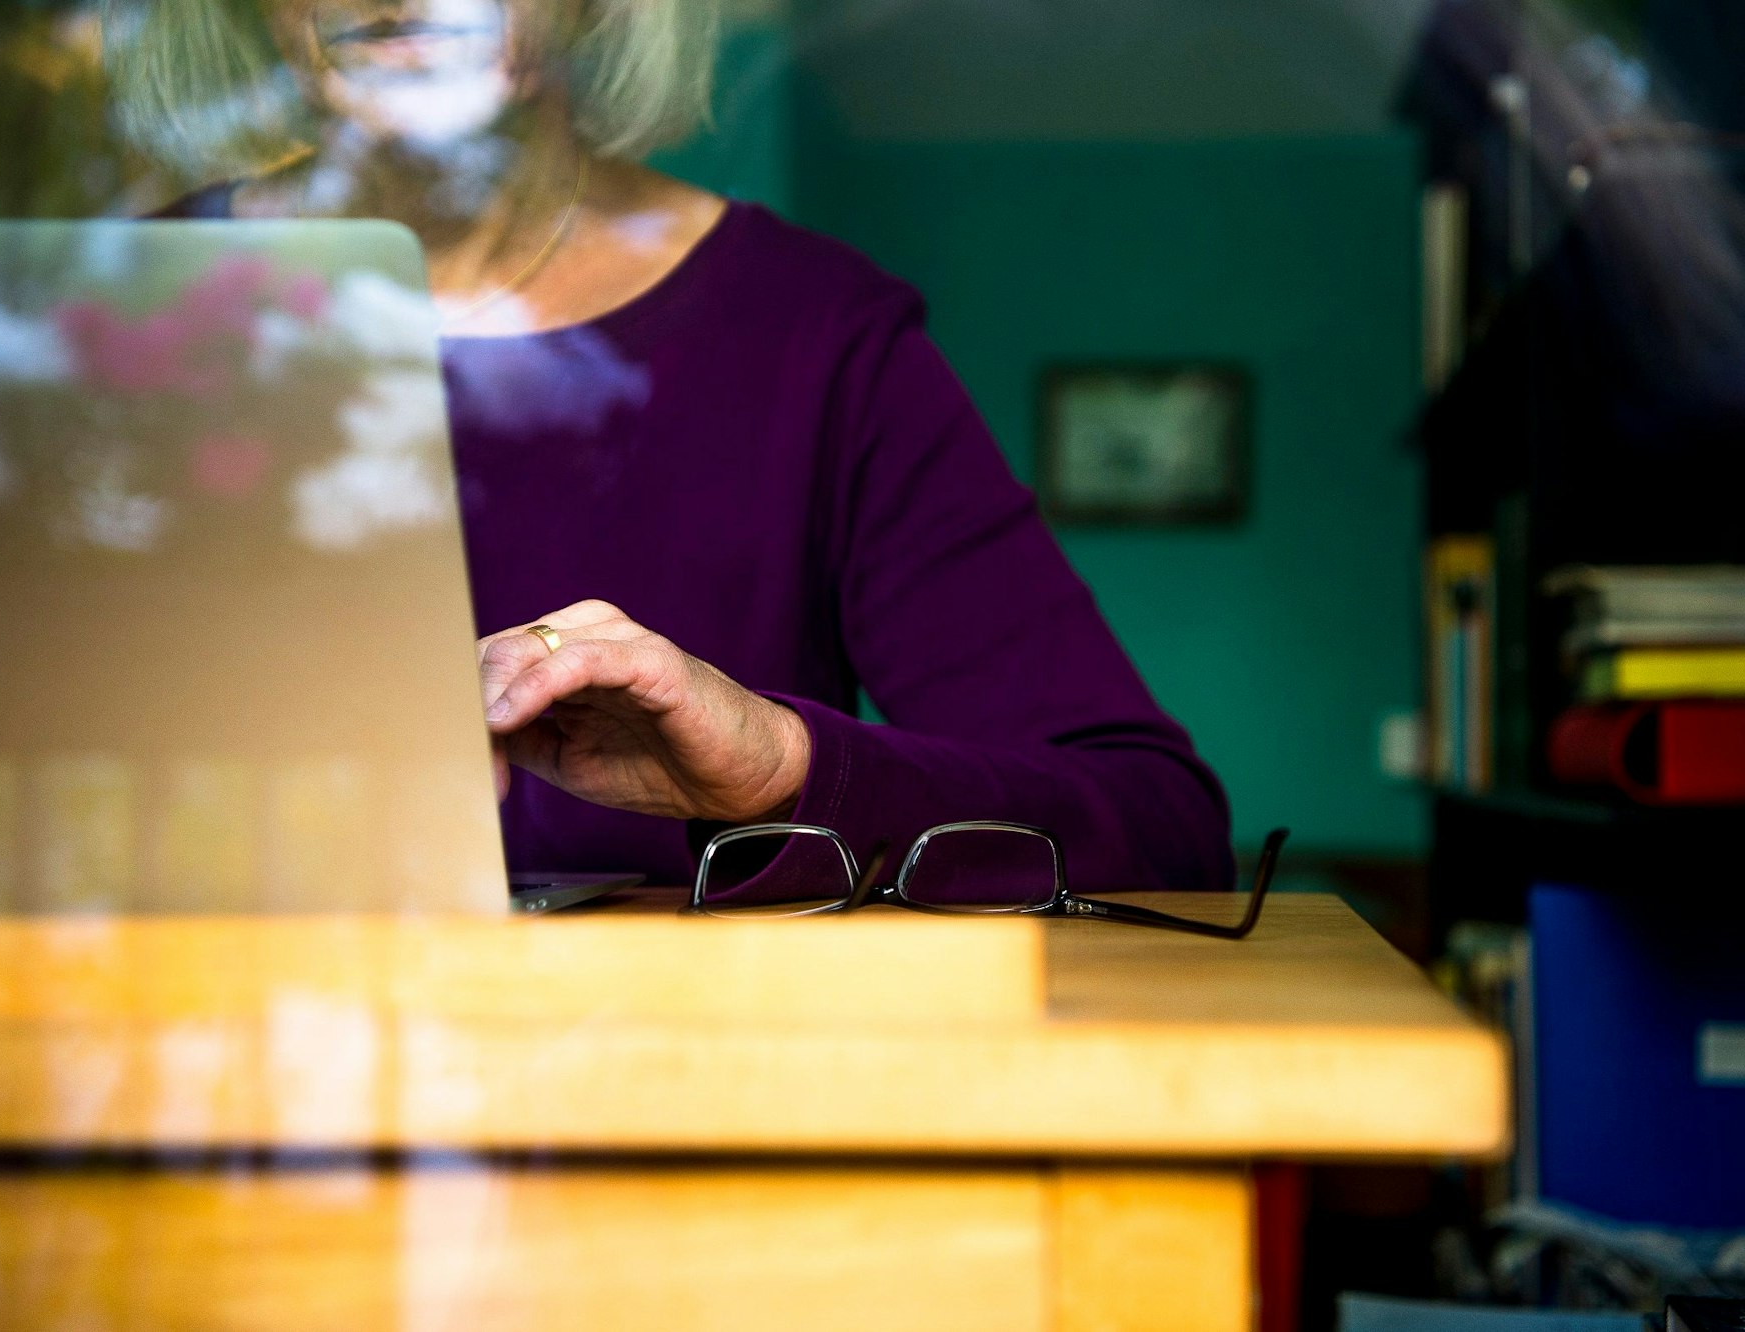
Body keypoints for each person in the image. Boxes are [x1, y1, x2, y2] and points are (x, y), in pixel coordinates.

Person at [110, 0, 1235, 892]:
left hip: (669, 1100)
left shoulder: (815, 332)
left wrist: (780, 764)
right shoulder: (101, 317)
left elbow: (1159, 826)